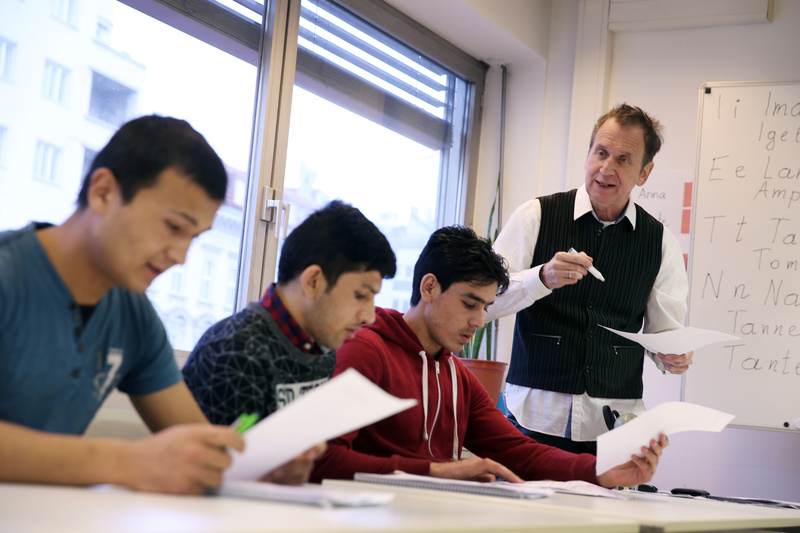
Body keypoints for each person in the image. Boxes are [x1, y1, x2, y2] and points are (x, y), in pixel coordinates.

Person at [0, 115, 311, 494]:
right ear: (103, 192)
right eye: (173, 227)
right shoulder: (9, 273)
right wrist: (128, 461)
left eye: (193, 237)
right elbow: (140, 461)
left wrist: (260, 467)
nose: (180, 256)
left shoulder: (134, 315)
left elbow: (196, 439)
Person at [310, 225, 667, 487]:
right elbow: (323, 458)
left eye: (486, 307)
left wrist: (599, 469)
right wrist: (437, 471)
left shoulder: (455, 375)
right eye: (469, 303)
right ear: (429, 287)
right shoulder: (367, 351)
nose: (479, 321)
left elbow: (521, 452)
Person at [485, 103, 693, 455]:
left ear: (644, 173)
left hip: (615, 428)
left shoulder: (660, 243)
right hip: (532, 417)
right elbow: (485, 301)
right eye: (601, 152)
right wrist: (542, 278)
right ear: (587, 156)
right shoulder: (534, 216)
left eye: (624, 159)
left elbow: (664, 335)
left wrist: (672, 356)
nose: (606, 168)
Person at [183, 200, 396, 428]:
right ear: (313, 281)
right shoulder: (234, 352)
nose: (369, 316)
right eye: (361, 295)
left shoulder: (323, 353)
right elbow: (207, 460)